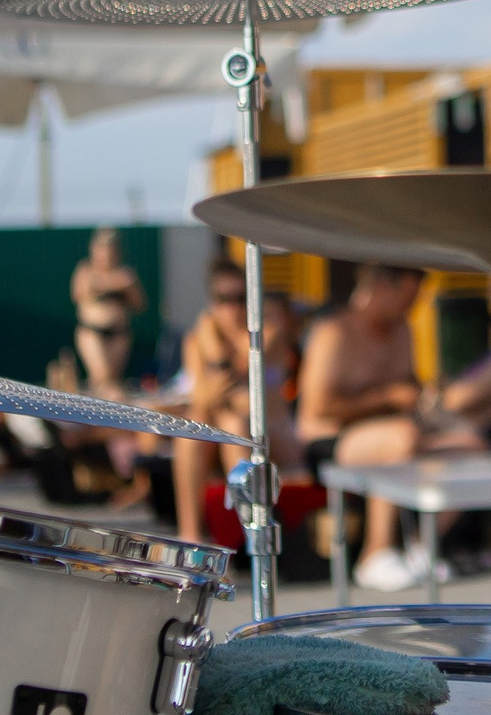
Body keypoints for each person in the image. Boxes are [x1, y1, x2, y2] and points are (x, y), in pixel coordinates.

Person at [297, 264, 444, 592]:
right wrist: (388, 398)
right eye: (407, 298)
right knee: (399, 440)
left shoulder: (402, 329)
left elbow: (407, 384)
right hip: (326, 439)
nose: (412, 306)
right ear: (381, 287)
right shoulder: (334, 332)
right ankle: (374, 554)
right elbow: (318, 407)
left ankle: (420, 548)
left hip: (387, 432)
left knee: (468, 443)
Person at [169, 260, 302, 545]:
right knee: (193, 436)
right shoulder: (196, 340)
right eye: (224, 299)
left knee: (233, 423)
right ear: (211, 303)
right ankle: (191, 535)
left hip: (276, 437)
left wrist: (213, 345)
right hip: (231, 433)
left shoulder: (268, 331)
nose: (234, 308)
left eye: (241, 298)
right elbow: (203, 401)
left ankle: (243, 537)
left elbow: (240, 372)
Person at [70, 228, 146, 388]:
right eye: (102, 248)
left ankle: (103, 410)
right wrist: (114, 283)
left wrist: (127, 287)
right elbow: (79, 293)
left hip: (119, 334)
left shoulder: (126, 273)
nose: (106, 255)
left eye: (110, 249)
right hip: (93, 333)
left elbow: (140, 305)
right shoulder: (86, 270)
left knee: (112, 381)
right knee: (101, 377)